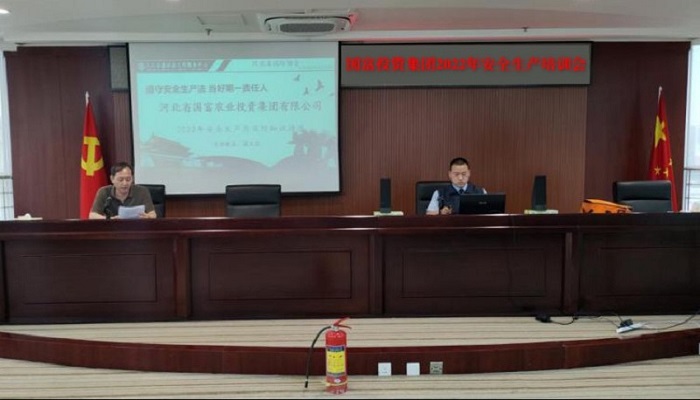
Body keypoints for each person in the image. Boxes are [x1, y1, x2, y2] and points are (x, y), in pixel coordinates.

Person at [89, 161, 157, 219]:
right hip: (113, 228)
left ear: (132, 178)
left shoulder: (142, 191)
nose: (125, 183)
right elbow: (92, 215)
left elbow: (153, 214)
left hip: (136, 228)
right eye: (120, 180)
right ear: (112, 179)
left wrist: (147, 216)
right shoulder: (104, 192)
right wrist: (110, 219)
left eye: (128, 179)